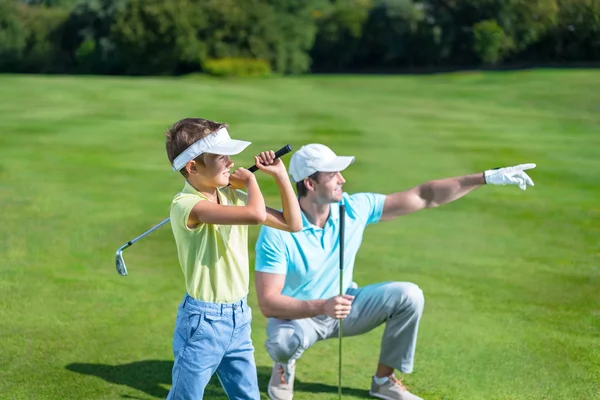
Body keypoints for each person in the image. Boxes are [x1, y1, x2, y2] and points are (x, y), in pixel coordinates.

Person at [253, 143, 536, 400]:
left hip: (347, 306)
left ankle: (383, 381)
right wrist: (322, 306)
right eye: (334, 175)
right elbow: (268, 303)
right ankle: (283, 367)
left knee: (409, 295)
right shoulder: (277, 232)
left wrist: (486, 176)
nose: (343, 180)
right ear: (311, 183)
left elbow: (424, 196)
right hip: (301, 317)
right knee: (281, 342)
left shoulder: (354, 208)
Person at [164, 118, 302, 400]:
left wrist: (279, 175)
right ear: (192, 167)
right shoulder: (186, 205)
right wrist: (251, 182)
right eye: (221, 157)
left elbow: (292, 223)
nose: (230, 162)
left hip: (239, 318)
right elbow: (254, 215)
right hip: (203, 321)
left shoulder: (231, 196)